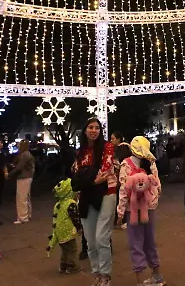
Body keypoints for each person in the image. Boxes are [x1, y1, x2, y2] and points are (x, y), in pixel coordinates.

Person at [72, 117, 117, 286]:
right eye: (90, 127)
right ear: (84, 130)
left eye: (97, 127)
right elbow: (76, 177)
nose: (94, 130)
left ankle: (106, 276)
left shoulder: (107, 146)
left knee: (101, 238)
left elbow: (104, 173)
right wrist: (90, 181)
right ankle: (97, 274)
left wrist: (87, 179)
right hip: (86, 196)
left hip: (107, 193)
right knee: (90, 241)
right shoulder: (80, 152)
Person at [116, 136, 165, 286]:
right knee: (150, 242)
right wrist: (152, 203)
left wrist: (120, 212)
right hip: (149, 209)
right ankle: (157, 276)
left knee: (135, 243)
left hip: (133, 211)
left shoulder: (126, 164)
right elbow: (157, 186)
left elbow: (124, 190)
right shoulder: (150, 163)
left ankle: (140, 280)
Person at [48, 178, 83, 274]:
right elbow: (75, 218)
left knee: (64, 249)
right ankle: (71, 266)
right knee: (72, 249)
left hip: (59, 232)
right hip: (68, 231)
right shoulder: (71, 204)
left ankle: (63, 265)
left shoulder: (58, 204)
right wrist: (79, 228)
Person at [9, 140, 35, 224]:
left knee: (21, 198)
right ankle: (27, 215)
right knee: (26, 197)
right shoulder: (27, 154)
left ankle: (23, 218)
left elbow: (19, 167)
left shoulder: (24, 154)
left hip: (24, 177)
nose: (18, 146)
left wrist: (9, 174)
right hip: (27, 176)